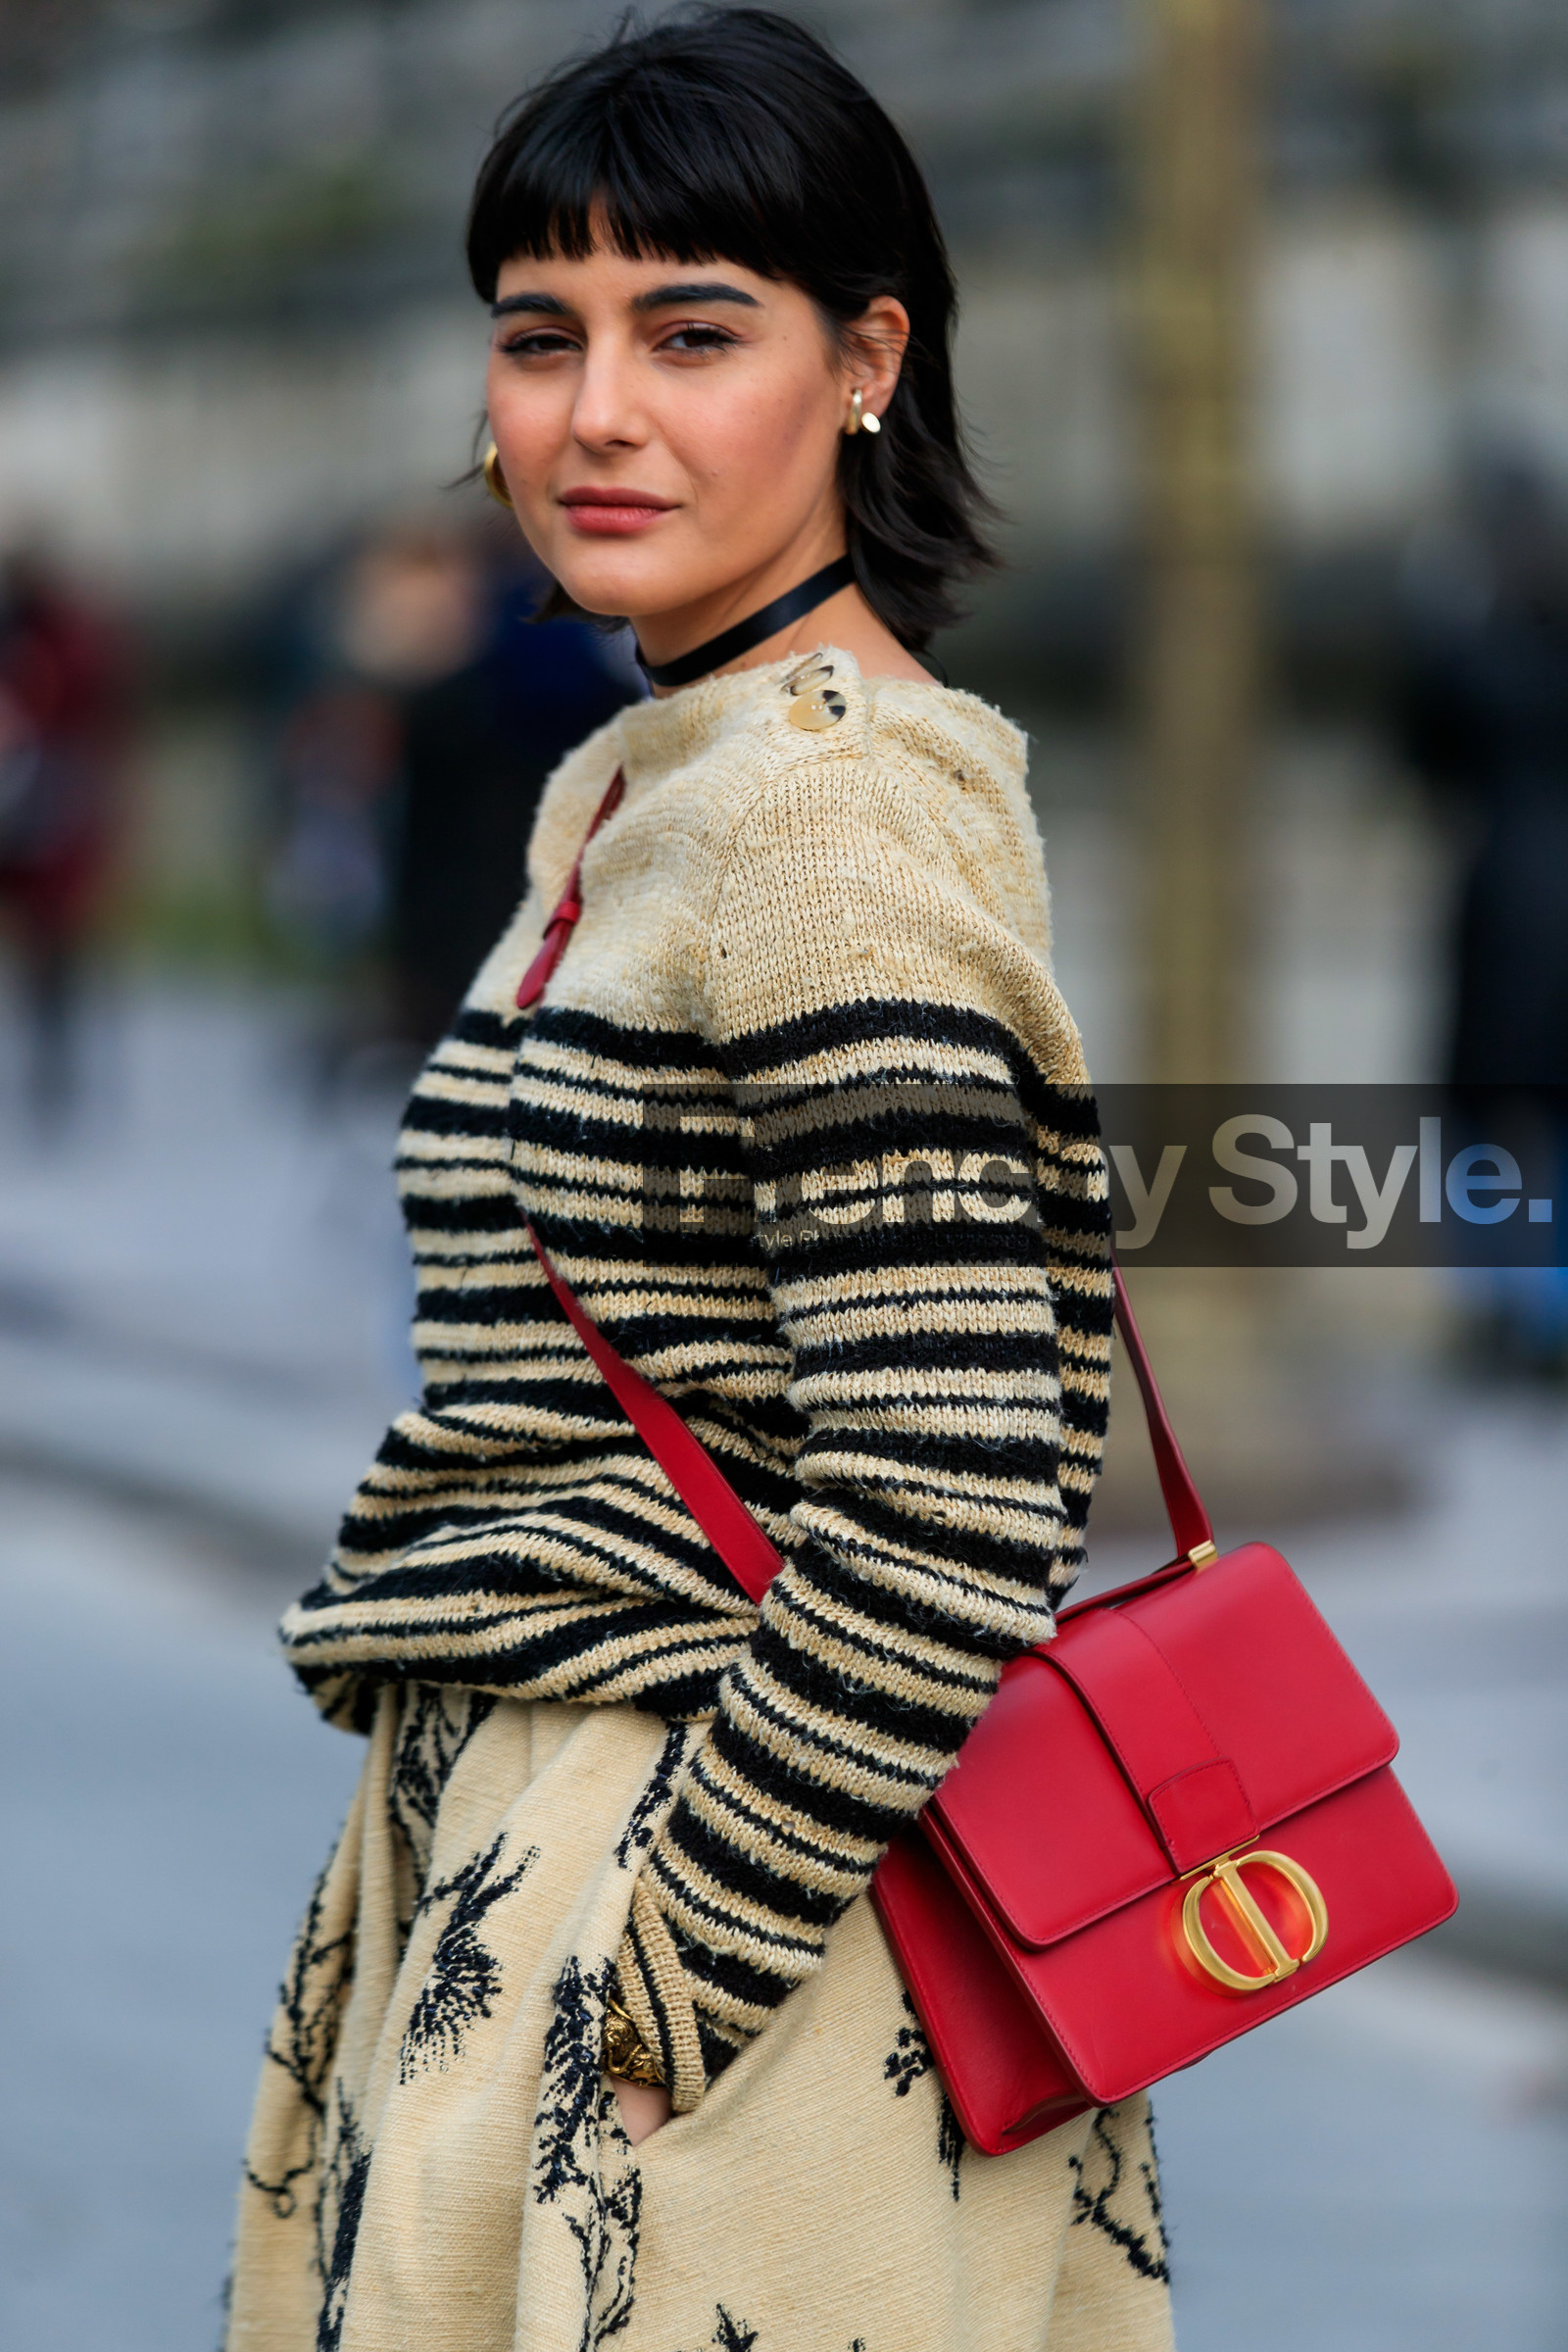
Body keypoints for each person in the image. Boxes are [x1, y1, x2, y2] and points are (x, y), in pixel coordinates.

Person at [226, 15, 1166, 2350]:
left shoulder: (809, 825)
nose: (595, 411)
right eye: (541, 336)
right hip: (562, 1853)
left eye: (692, 330)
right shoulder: (657, 779)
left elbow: (951, 1481)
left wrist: (661, 1980)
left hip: (698, 1914)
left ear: (865, 362)